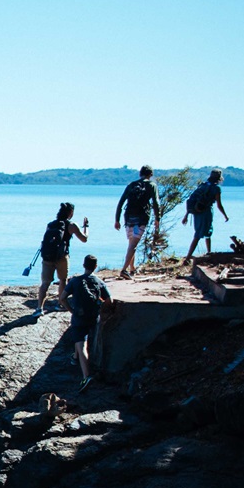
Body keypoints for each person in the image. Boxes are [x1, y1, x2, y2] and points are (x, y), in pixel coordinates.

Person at [64, 254, 113, 387]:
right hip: (93, 317)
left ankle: (86, 377)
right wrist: (100, 309)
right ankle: (75, 357)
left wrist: (71, 310)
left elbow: (62, 298)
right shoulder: (99, 282)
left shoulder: (75, 281)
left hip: (79, 317)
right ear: (95, 267)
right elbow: (109, 300)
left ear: (83, 265)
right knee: (83, 339)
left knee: (82, 345)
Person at [34, 202, 89, 315]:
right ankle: (60, 304)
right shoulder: (72, 225)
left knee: (45, 283)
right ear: (71, 212)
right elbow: (84, 239)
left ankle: (39, 308)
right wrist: (86, 227)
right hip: (62, 257)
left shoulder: (50, 225)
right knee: (63, 280)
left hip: (47, 258)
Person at [114, 165, 161, 280]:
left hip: (128, 217)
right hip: (141, 218)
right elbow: (156, 203)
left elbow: (120, 203)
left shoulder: (131, 185)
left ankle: (132, 268)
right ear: (150, 174)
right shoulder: (151, 185)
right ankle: (124, 270)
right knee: (134, 244)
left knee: (131, 242)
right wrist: (157, 218)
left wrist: (117, 220)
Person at [183, 169, 231, 261]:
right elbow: (219, 205)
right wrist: (225, 215)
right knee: (200, 234)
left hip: (197, 212)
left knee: (206, 232)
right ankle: (188, 257)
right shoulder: (216, 188)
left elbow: (192, 200)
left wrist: (186, 215)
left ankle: (209, 253)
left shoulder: (203, 185)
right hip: (206, 212)